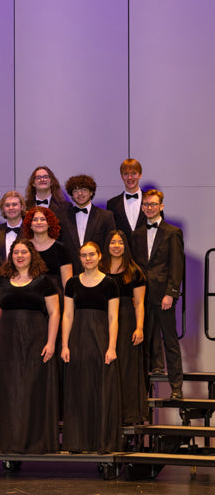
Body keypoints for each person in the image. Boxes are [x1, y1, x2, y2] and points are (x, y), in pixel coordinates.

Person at [0, 239, 60, 455]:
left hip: (36, 340)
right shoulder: (0, 281)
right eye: (16, 252)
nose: (20, 256)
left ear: (32, 255)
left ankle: (34, 441)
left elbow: (55, 312)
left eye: (24, 252)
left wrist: (51, 342)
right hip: (6, 341)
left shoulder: (44, 281)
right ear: (11, 256)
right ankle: (9, 440)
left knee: (32, 389)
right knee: (10, 389)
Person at [61, 242, 120, 453]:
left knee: (100, 388)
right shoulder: (72, 283)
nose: (88, 258)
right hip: (78, 340)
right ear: (80, 258)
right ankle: (78, 442)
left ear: (99, 256)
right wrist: (65, 345)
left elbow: (113, 318)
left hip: (100, 339)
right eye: (84, 255)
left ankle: (100, 442)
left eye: (91, 254)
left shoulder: (110, 283)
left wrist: (111, 347)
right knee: (78, 389)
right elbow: (68, 315)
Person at [131, 189, 185, 399]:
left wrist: (171, 293)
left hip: (163, 296)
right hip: (142, 297)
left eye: (153, 204)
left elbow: (176, 265)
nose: (149, 208)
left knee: (170, 342)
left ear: (161, 206)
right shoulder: (137, 234)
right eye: (146, 204)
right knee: (142, 344)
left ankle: (177, 388)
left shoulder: (173, 232)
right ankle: (142, 392)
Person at [101, 230, 148, 425]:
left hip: (127, 321)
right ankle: (105, 412)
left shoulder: (134, 271)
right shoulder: (99, 268)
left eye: (120, 242)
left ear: (126, 246)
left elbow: (140, 303)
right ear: (107, 245)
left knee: (126, 367)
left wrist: (139, 328)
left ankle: (127, 414)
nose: (116, 246)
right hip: (102, 320)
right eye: (113, 242)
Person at [61, 175, 116, 274]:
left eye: (84, 190)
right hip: (71, 274)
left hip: (99, 273)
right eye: (75, 191)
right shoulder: (62, 218)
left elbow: (110, 247)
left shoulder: (106, 217)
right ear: (71, 195)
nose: (80, 194)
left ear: (91, 192)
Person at [21, 206, 72, 294]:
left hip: (56, 297)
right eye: (35, 219)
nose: (39, 222)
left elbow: (67, 284)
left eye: (43, 219)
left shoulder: (61, 248)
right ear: (30, 225)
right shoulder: (23, 248)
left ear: (49, 224)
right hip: (29, 296)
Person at [106, 158, 147, 246]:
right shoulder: (112, 204)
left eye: (134, 173)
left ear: (140, 175)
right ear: (121, 176)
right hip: (121, 253)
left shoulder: (151, 201)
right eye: (126, 174)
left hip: (147, 252)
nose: (130, 177)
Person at [0, 191, 25, 269]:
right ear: (3, 208)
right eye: (7, 205)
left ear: (22, 207)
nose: (11, 208)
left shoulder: (30, 231)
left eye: (14, 204)